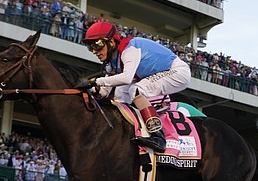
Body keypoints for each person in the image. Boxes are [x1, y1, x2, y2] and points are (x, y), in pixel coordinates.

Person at [79, 21, 192, 153]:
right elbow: (104, 91)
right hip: (153, 74)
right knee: (120, 95)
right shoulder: (112, 63)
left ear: (111, 42)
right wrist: (88, 88)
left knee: (136, 89)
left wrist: (97, 81)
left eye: (97, 45)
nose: (94, 51)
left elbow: (126, 78)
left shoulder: (129, 49)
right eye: (90, 47)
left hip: (177, 71)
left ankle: (158, 136)